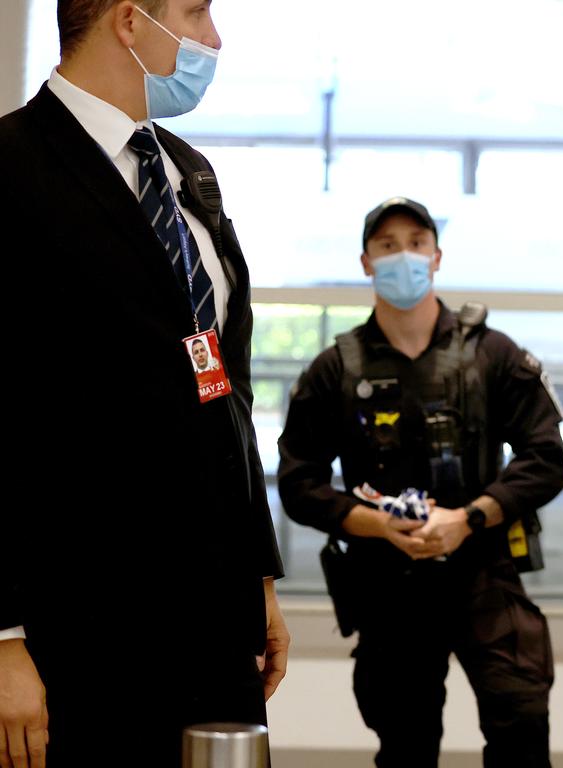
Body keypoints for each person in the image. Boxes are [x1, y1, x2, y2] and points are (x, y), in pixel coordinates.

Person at [0, 3, 289, 766]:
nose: (215, 39)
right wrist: (0, 638)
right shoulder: (11, 167)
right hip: (75, 627)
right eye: (196, 12)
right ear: (129, 21)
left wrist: (257, 574)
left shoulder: (188, 172)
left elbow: (226, 392)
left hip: (213, 618)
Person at [277, 197, 563, 768]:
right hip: (388, 583)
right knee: (406, 741)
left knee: (521, 720)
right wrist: (379, 525)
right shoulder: (337, 369)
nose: (402, 256)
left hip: (483, 566)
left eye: (415, 242)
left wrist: (468, 519)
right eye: (387, 246)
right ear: (366, 262)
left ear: (437, 257)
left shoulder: (492, 354)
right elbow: (298, 481)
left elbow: (545, 457)